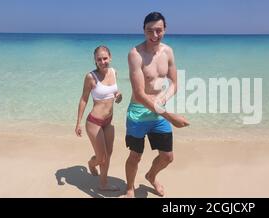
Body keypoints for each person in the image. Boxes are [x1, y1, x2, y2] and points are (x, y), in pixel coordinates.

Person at [125, 12, 189, 198]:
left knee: (167, 157)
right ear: (143, 31)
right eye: (149, 31)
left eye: (158, 30)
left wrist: (162, 99)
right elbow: (139, 93)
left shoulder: (168, 52)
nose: (154, 35)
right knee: (135, 156)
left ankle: (151, 176)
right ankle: (130, 188)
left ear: (165, 29)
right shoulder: (135, 54)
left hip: (157, 113)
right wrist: (170, 116)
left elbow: (175, 83)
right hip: (138, 113)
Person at [75, 45, 122, 191]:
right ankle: (91, 163)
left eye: (105, 58)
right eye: (99, 59)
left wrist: (119, 96)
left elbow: (114, 94)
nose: (102, 62)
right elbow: (84, 99)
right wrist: (78, 123)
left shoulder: (114, 72)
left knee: (108, 155)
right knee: (101, 158)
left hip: (108, 122)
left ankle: (103, 184)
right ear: (95, 60)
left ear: (110, 57)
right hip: (94, 122)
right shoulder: (91, 77)